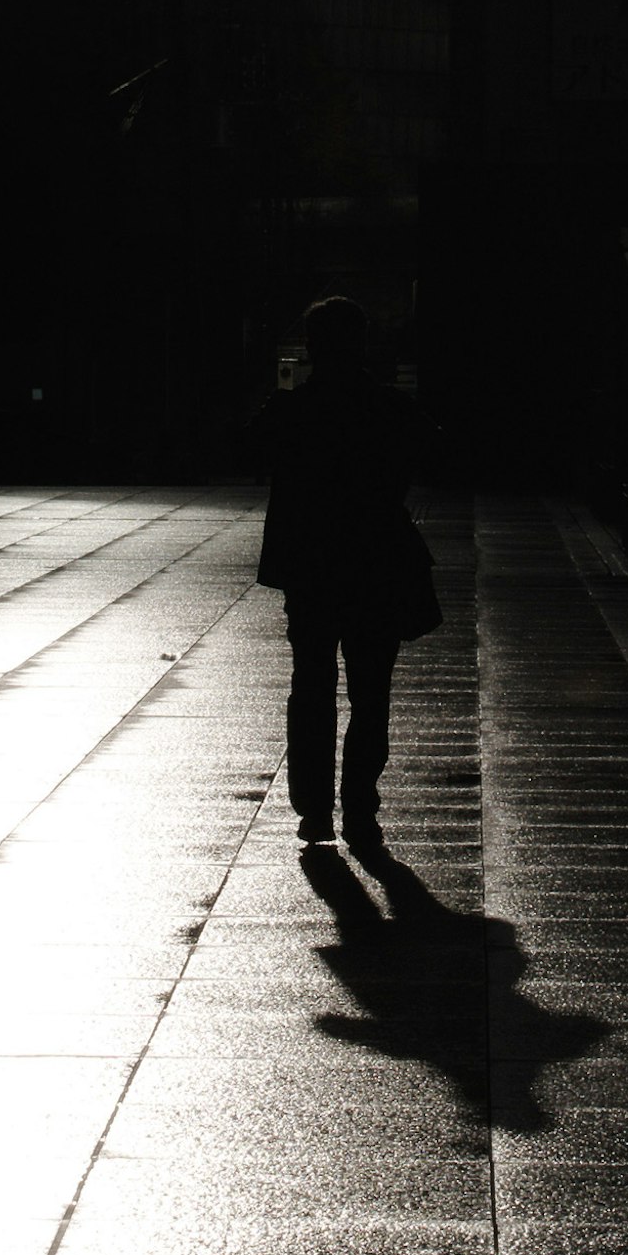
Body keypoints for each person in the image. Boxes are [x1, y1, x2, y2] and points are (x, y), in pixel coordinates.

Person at [255, 294, 436, 847]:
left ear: (312, 347)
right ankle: (361, 806)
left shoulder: (290, 412)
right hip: (375, 565)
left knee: (311, 685)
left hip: (311, 567)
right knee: (370, 691)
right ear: (362, 345)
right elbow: (430, 454)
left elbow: (245, 449)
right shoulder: (392, 409)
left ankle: (314, 808)